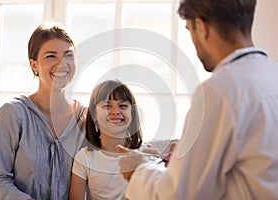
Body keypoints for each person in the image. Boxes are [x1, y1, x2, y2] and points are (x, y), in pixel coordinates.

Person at [116, 0, 278, 199]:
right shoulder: (272, 76)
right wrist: (191, 154)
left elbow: (177, 195)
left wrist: (139, 168)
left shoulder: (219, 91)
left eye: (189, 30)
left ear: (201, 27)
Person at [0, 22, 87, 199]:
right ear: (34, 65)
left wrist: (137, 152)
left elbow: (112, 157)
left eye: (68, 55)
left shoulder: (87, 120)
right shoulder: (12, 114)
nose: (61, 63)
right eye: (50, 56)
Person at [69, 80, 143, 200]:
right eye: (107, 106)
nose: (115, 111)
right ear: (94, 115)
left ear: (132, 113)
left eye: (123, 106)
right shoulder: (85, 158)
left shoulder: (142, 155)